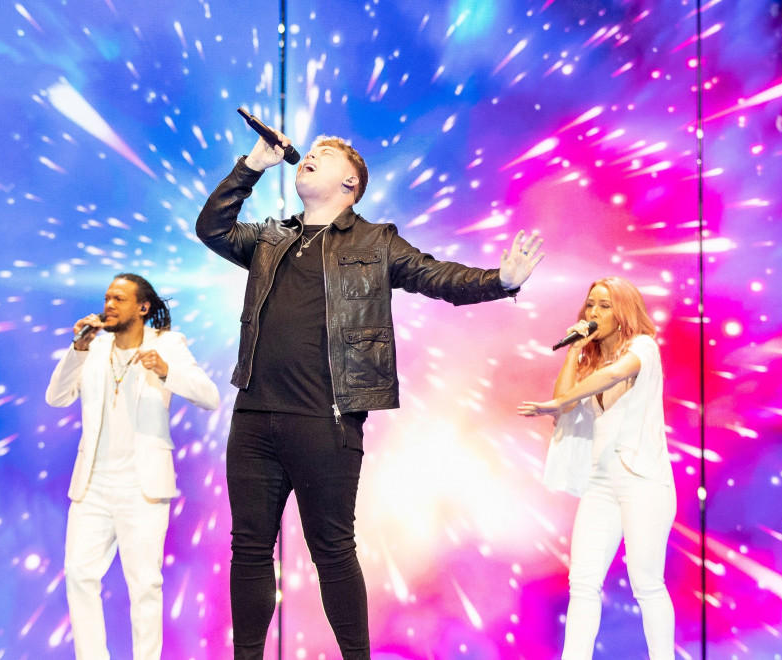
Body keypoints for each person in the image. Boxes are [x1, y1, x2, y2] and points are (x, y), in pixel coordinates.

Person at [195, 131, 545, 659]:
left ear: (350, 183)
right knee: (248, 549)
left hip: (326, 419)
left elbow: (436, 276)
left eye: (325, 155)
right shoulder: (270, 239)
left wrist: (501, 280)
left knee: (332, 551)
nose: (310, 156)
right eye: (310, 153)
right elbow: (212, 228)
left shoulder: (375, 241)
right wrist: (253, 165)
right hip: (254, 418)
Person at [46, 273, 220, 660]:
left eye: (119, 299)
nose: (109, 305)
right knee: (79, 574)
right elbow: (56, 397)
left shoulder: (168, 344)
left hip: (142, 487)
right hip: (92, 485)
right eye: (106, 297)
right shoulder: (92, 346)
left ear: (143, 307)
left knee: (144, 586)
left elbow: (209, 397)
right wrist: (76, 349)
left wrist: (166, 371)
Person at [517, 276, 675, 659]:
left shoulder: (643, 348)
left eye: (605, 305)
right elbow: (565, 400)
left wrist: (562, 402)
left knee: (646, 582)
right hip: (601, 484)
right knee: (583, 582)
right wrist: (575, 350)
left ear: (623, 313)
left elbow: (615, 374)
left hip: (643, 481)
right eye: (591, 304)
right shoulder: (590, 362)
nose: (594, 312)